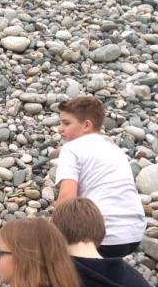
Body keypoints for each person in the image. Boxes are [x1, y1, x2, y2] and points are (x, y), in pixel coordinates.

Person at [54, 96, 146, 258]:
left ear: (87, 125)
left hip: (102, 236)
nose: (60, 128)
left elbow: (67, 197)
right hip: (134, 234)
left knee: (61, 266)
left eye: (66, 123)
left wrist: (50, 236)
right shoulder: (113, 149)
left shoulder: (71, 149)